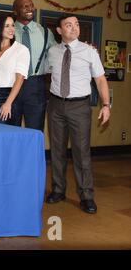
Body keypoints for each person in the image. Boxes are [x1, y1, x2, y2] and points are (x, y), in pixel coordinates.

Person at [45, 15, 110, 214]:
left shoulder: (89, 52)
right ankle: (58, 190)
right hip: (56, 105)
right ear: (59, 30)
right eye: (68, 25)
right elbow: (47, 74)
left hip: (79, 107)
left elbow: (100, 80)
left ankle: (86, 196)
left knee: (82, 153)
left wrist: (106, 105)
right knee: (57, 151)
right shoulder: (52, 52)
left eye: (77, 24)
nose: (74, 28)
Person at [12, 0, 56, 131]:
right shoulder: (8, 30)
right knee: (11, 131)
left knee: (35, 131)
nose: (29, 8)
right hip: (11, 85)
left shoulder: (45, 32)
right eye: (24, 6)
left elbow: (58, 55)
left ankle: (33, 153)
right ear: (15, 11)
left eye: (31, 5)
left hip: (36, 86)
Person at [0, 14, 30, 126]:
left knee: (5, 135)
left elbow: (20, 79)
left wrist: (8, 103)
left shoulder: (21, 50)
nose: (12, 29)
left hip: (8, 95)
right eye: (7, 26)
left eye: (12, 25)